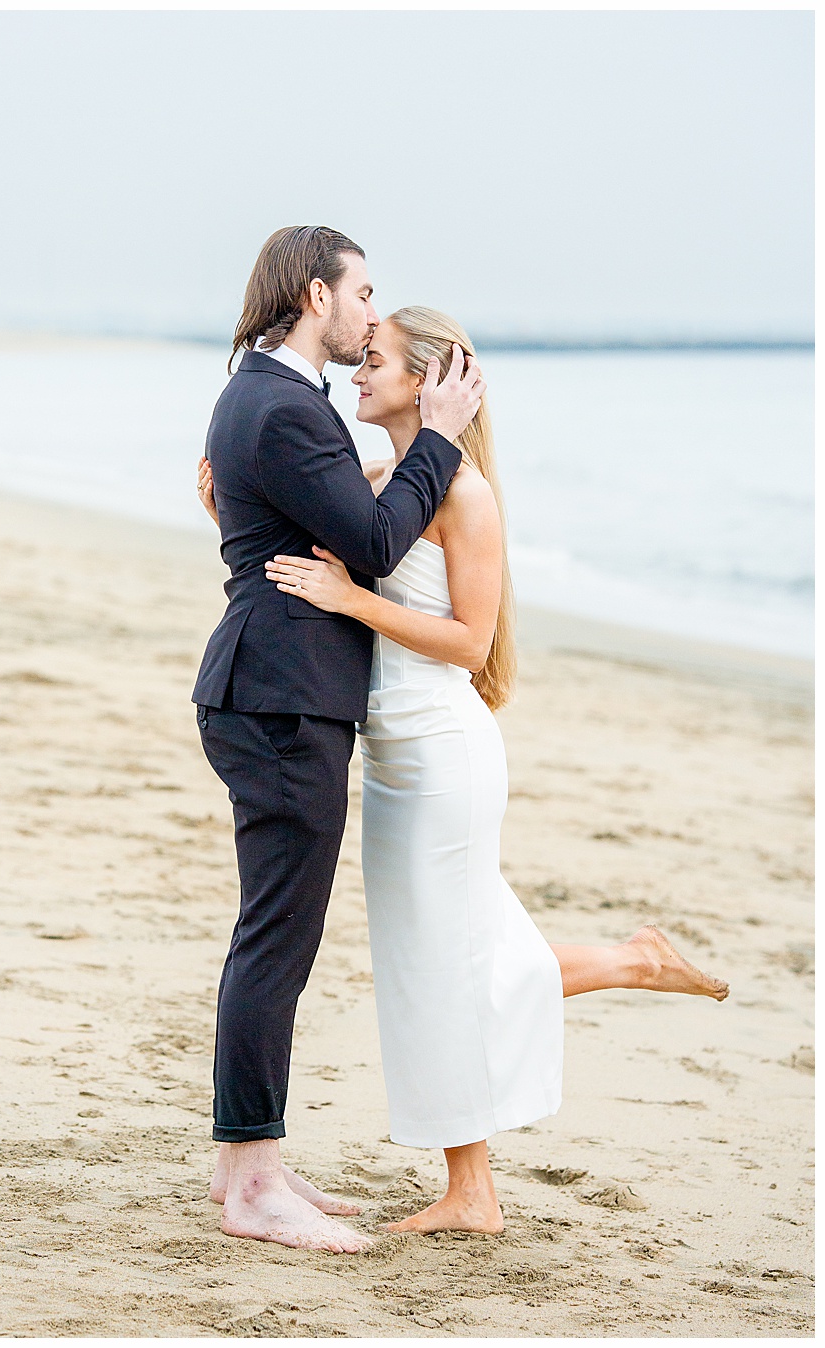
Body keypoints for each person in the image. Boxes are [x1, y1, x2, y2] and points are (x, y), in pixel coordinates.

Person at [245, 306, 728, 1235]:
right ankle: (629, 965)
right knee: (437, 965)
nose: (358, 371)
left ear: (426, 380)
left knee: (448, 965)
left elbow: (470, 642)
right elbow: (306, 560)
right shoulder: (384, 478)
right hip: (392, 754)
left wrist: (352, 599)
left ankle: (476, 1193)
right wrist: (226, 508)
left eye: (375, 360)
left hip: (444, 756)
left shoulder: (464, 495)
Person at [191, 225, 483, 1253]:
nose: (371, 311)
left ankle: (250, 1164)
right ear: (316, 295)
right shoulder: (277, 405)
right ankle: (253, 1182)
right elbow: (369, 545)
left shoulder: (271, 399)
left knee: (274, 934)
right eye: (363, 292)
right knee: (277, 938)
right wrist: (439, 438)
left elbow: (314, 510)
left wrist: (384, 460)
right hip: (279, 698)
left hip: (275, 690)